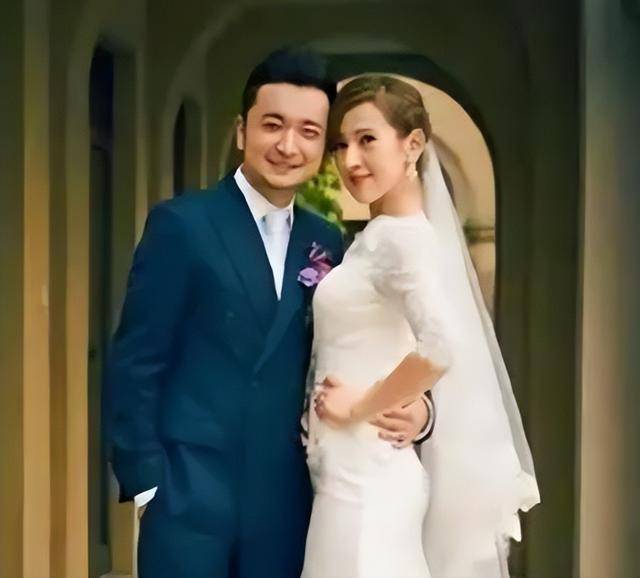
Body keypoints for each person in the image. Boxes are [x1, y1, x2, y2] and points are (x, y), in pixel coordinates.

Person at [105, 50, 434, 578]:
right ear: (242, 131)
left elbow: (363, 343)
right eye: (273, 125)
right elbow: (136, 361)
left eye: (309, 131)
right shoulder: (183, 225)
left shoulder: (326, 240)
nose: (288, 146)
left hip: (286, 507)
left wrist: (420, 412)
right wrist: (148, 485)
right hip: (189, 499)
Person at [302, 75, 540, 578]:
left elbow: (441, 346)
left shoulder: (403, 242)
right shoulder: (378, 237)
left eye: (367, 140)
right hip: (346, 474)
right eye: (341, 145)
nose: (349, 160)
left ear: (412, 145)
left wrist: (360, 407)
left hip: (368, 481)